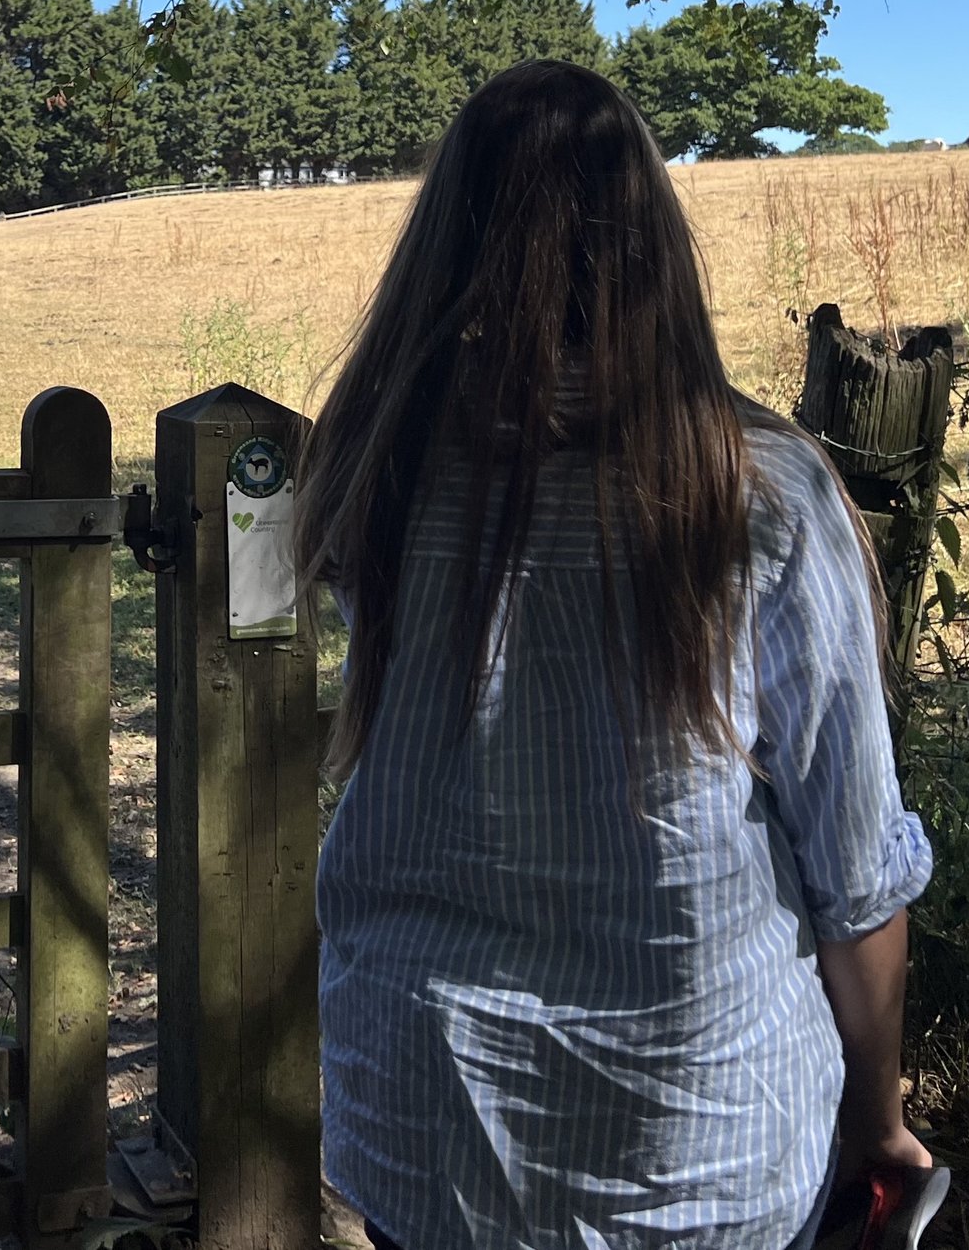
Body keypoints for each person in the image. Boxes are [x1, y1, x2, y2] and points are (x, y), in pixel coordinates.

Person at [300, 61, 933, 1250]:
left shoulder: (376, 466)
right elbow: (854, 868)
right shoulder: (759, 489)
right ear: (651, 236)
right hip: (692, 1145)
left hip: (421, 1120)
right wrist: (879, 1120)